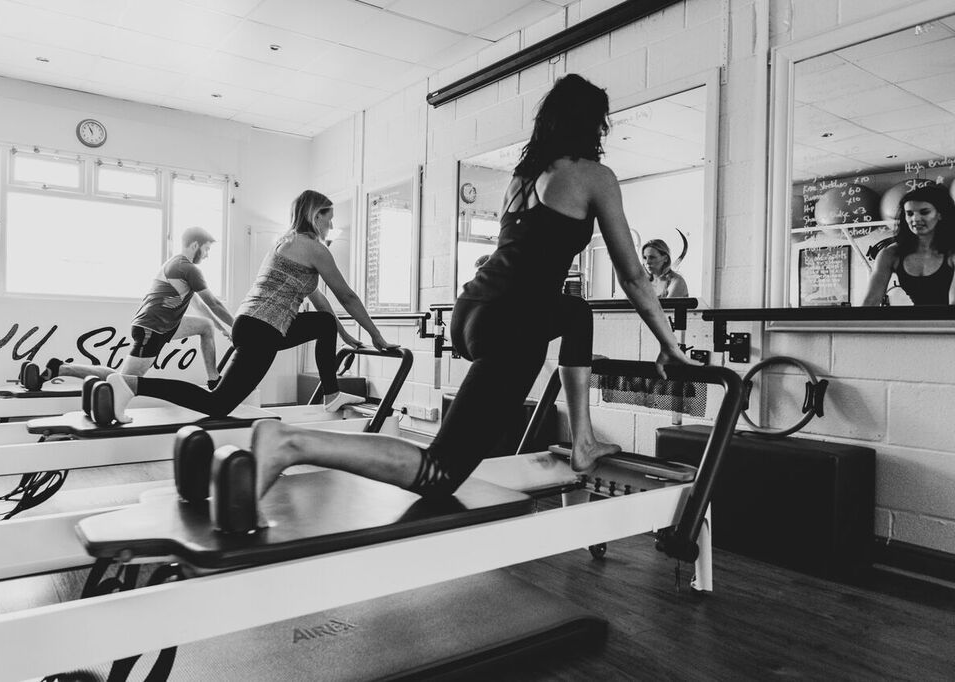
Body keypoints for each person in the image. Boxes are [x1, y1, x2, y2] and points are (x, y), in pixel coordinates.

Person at [245, 73, 693, 502]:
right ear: (593, 124)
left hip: (473, 310)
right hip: (514, 325)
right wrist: (669, 345)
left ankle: (583, 441)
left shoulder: (522, 177)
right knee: (438, 472)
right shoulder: (594, 176)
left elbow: (521, 259)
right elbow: (633, 276)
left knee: (576, 313)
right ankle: (292, 443)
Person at [105, 190, 398, 422]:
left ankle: (331, 393)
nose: (331, 225)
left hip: (253, 325)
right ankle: (132, 384)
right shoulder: (314, 249)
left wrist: (344, 335)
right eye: (328, 218)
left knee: (323, 323)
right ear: (315, 215)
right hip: (263, 330)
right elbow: (347, 297)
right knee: (217, 404)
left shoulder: (285, 243)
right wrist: (377, 336)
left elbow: (320, 302)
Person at [47, 226, 234, 388]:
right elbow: (214, 303)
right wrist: (237, 326)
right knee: (122, 381)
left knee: (206, 327)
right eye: (206, 249)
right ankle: (62, 368)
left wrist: (221, 329)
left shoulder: (177, 265)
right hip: (153, 328)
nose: (207, 255)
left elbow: (199, 305)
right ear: (194, 245)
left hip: (165, 325)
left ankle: (213, 379)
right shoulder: (188, 268)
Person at [862, 184, 955, 306]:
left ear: (940, 214)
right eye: (910, 213)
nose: (915, 219)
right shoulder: (890, 254)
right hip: (917, 317)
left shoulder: (952, 253)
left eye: (924, 212)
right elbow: (871, 301)